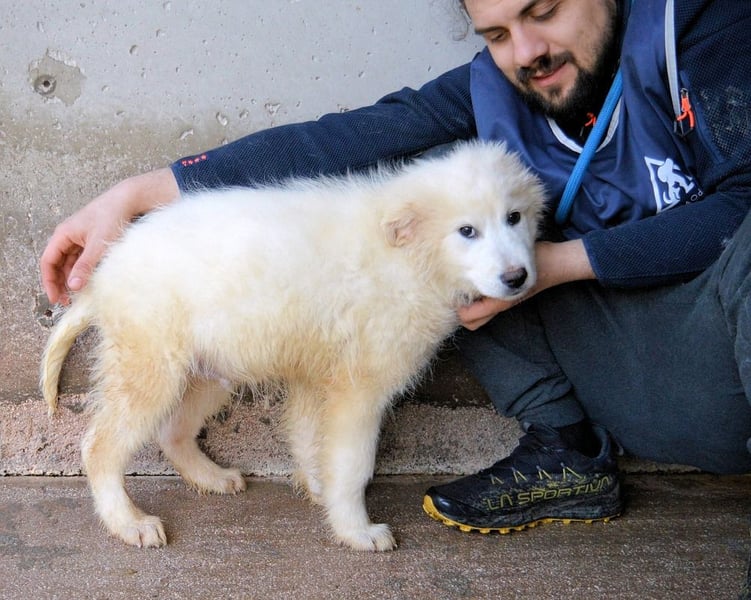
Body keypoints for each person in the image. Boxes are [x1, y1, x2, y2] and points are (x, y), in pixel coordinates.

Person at [41, 0, 751, 538]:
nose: (526, 51)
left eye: (544, 11)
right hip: (627, 376)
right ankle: (566, 449)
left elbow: (741, 203)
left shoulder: (705, 29)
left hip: (719, 364)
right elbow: (351, 138)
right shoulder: (498, 85)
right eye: (496, 33)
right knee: (440, 215)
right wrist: (140, 192)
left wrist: (557, 262)